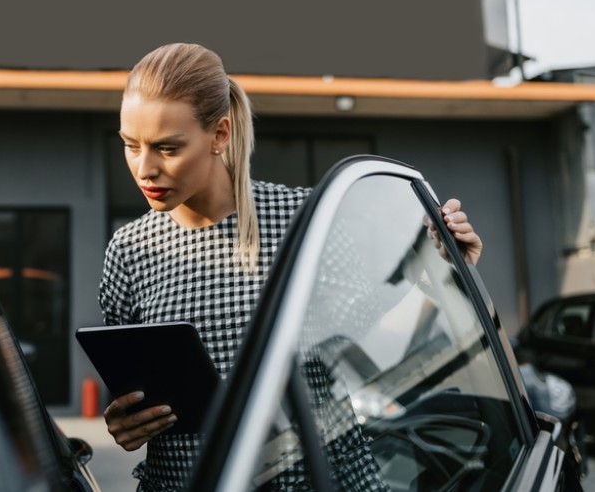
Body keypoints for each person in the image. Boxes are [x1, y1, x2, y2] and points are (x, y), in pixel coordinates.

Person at [97, 42, 484, 490]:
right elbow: (133, 390)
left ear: (220, 134)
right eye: (130, 145)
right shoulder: (129, 249)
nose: (144, 169)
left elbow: (379, 353)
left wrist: (443, 273)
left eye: (167, 148)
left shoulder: (302, 218)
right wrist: (126, 423)